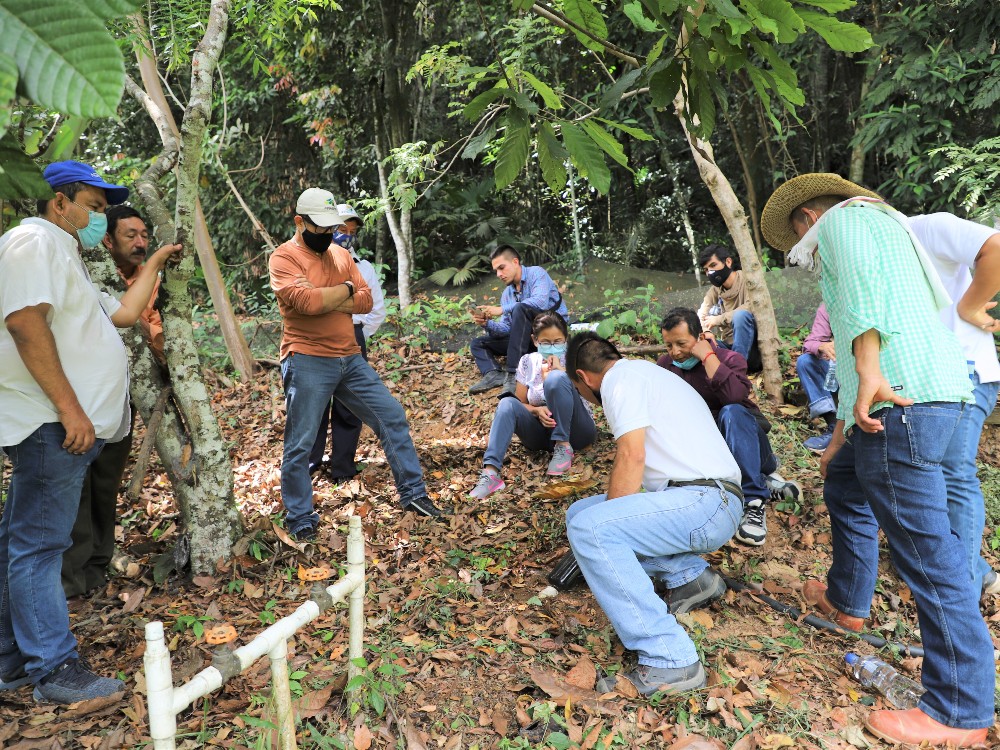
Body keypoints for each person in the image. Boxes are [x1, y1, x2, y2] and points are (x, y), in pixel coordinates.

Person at [760, 172, 992, 748]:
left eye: (797, 240)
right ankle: (847, 600)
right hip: (938, 395)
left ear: (808, 220)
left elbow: (864, 298)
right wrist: (840, 434)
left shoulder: (847, 221)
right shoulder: (893, 229)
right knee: (843, 477)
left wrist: (867, 371)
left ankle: (959, 710)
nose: (805, 257)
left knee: (927, 555)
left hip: (902, 403)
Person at [0, 160, 180, 703]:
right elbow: (25, 323)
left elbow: (124, 313)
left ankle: (11, 662)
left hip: (61, 426)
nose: (101, 220)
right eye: (95, 208)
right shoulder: (31, 243)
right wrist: (70, 408)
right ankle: (54, 669)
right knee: (41, 545)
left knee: (21, 540)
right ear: (60, 202)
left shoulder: (66, 256)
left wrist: (156, 260)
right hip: (50, 425)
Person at [563, 332, 742, 696]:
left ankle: (670, 659)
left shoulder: (618, 381)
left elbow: (632, 456)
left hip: (704, 502)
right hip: (708, 499)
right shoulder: (646, 373)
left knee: (591, 529)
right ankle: (689, 577)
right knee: (581, 513)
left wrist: (598, 536)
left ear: (583, 377)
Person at [269, 188, 442, 535]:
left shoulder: (339, 255)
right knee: (301, 443)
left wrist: (333, 295)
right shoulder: (283, 258)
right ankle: (300, 519)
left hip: (349, 357)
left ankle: (414, 495)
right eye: (319, 227)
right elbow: (308, 302)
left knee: (391, 416)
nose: (327, 234)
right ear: (299, 222)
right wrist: (345, 290)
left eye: (331, 227)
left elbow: (365, 301)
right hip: (307, 359)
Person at [62, 205, 167, 599]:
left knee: (104, 488)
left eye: (144, 235)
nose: (140, 242)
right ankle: (72, 577)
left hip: (120, 403)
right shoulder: (79, 271)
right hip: (77, 399)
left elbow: (145, 326)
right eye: (130, 235)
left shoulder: (146, 279)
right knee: (75, 491)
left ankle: (96, 565)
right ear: (107, 239)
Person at [908, 213, 1000, 596]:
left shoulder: (925, 227)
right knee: (928, 474)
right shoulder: (871, 260)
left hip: (966, 370)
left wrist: (969, 307)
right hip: (928, 378)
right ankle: (976, 572)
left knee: (955, 472)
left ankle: (960, 590)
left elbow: (994, 248)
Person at [657, 308, 800, 547]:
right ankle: (766, 482)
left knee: (731, 412)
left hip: (749, 444)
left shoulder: (729, 359)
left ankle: (754, 502)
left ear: (701, 338)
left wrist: (708, 357)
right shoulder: (666, 367)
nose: (675, 352)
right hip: (712, 455)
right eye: (668, 346)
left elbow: (734, 396)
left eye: (681, 343)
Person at [468, 312, 596, 499]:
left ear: (566, 340)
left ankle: (563, 446)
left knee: (556, 378)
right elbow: (521, 404)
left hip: (577, 431)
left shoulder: (576, 359)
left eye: (557, 341)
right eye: (546, 342)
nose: (552, 347)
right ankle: (491, 473)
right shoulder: (528, 362)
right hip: (542, 436)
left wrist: (561, 374)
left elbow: (593, 397)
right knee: (506, 403)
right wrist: (536, 410)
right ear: (535, 340)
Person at [308, 204, 387, 482]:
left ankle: (343, 467)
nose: (347, 235)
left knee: (349, 406)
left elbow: (376, 310)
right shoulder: (310, 262)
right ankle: (310, 464)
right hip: (316, 339)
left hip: (353, 338)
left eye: (352, 231)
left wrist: (358, 332)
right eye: (342, 229)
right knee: (315, 403)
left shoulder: (363, 267)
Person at [468, 246, 568, 396]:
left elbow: (540, 302)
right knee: (478, 343)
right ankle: (493, 373)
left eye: (502, 268)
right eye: (496, 270)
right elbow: (507, 328)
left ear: (515, 262)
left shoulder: (537, 273)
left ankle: (513, 374)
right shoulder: (507, 294)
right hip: (525, 340)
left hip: (550, 335)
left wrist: (502, 309)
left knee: (521, 309)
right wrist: (486, 323)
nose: (499, 274)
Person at [696, 244, 758, 366]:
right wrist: (706, 331)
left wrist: (719, 319)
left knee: (740, 316)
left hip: (753, 348)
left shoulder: (748, 280)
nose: (710, 273)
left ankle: (737, 369)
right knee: (702, 344)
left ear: (728, 262)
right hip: (729, 347)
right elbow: (701, 314)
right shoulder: (715, 290)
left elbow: (752, 306)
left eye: (713, 265)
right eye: (706, 270)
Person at [796, 303, 838, 453]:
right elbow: (810, 343)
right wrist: (822, 346)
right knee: (806, 362)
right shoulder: (829, 305)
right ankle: (834, 429)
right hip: (840, 369)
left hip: (872, 370)